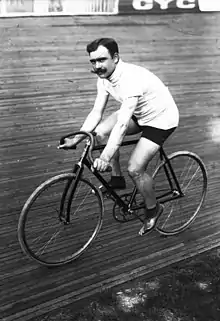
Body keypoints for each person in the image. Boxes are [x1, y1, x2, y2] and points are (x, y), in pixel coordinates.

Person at [59, 38, 179, 235]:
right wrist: (77, 139)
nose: (97, 66)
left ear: (115, 57)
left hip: (161, 120)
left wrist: (105, 157)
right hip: (139, 114)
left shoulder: (130, 80)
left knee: (135, 168)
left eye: (102, 60)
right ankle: (116, 179)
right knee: (99, 133)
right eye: (93, 61)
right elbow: (96, 112)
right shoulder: (104, 78)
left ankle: (153, 209)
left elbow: (122, 124)